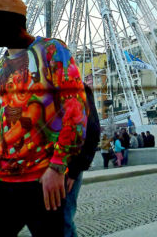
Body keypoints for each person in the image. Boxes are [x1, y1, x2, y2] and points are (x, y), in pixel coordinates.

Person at [0, 0, 87, 237]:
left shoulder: (53, 51)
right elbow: (3, 122)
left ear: (10, 20)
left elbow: (75, 110)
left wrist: (57, 167)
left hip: (42, 180)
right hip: (0, 179)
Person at [63, 83, 100, 237]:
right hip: (46, 168)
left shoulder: (80, 91)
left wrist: (74, 170)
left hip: (68, 167)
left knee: (63, 218)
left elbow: (92, 130)